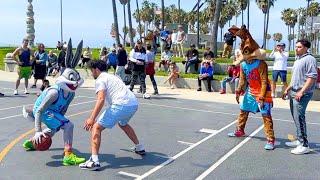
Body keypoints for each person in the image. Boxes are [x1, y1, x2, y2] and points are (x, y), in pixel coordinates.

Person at [22, 39, 85, 166]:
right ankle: (67, 156)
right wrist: (38, 130)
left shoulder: (71, 94)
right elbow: (39, 110)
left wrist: (59, 121)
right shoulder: (54, 92)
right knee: (68, 125)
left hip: (51, 111)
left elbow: (63, 110)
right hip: (41, 110)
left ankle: (32, 142)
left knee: (57, 126)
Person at [79, 60, 145, 171]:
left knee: (96, 127)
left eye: (91, 70)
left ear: (96, 69)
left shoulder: (100, 79)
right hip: (133, 104)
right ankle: (139, 147)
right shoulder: (114, 77)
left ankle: (94, 160)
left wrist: (92, 118)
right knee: (123, 124)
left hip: (121, 105)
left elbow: (101, 99)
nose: (91, 73)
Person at [227, 25, 275, 150]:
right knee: (243, 110)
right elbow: (242, 80)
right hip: (250, 91)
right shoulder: (243, 65)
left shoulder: (261, 64)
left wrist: (262, 96)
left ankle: (270, 139)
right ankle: (240, 130)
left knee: (266, 116)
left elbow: (264, 81)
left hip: (263, 92)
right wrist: (238, 91)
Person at [282, 39, 318, 155]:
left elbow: (312, 77)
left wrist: (301, 92)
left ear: (306, 48)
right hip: (294, 92)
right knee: (296, 118)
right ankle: (299, 140)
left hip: (302, 94)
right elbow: (296, 78)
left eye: (299, 47)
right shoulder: (298, 59)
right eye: (296, 47)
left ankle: (304, 145)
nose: (296, 49)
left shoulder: (310, 59)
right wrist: (288, 89)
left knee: (300, 118)